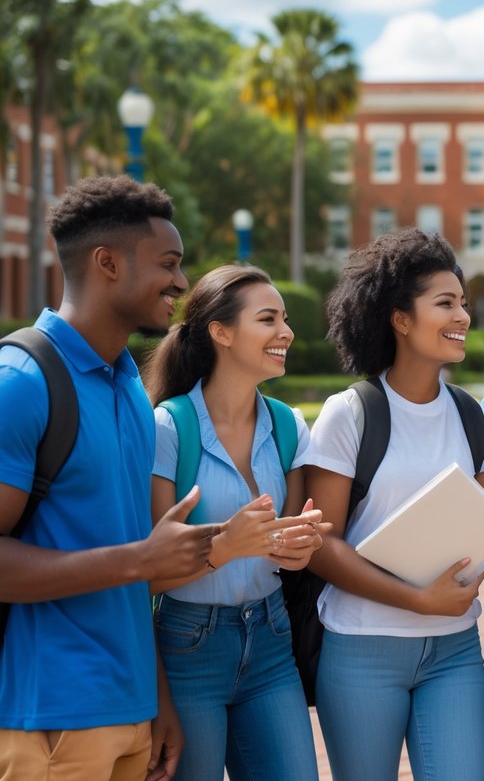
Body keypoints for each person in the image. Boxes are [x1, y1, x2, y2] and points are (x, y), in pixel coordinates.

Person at [0, 175, 217, 780]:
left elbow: (131, 564)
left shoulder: (128, 386)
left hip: (128, 711)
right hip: (48, 717)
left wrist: (158, 701)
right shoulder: (21, 382)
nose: (181, 282)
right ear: (107, 263)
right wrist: (142, 560)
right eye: (168, 264)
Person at [304, 230, 484, 780]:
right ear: (399, 318)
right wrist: (418, 599)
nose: (462, 315)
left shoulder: (476, 420)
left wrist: (468, 575)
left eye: (463, 303)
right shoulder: (348, 414)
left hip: (454, 649)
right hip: (362, 649)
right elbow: (321, 544)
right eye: (445, 303)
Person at [143, 265, 328, 781]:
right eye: (267, 319)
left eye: (285, 319)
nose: (286, 332)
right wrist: (224, 545)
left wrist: (300, 545)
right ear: (220, 332)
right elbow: (143, 573)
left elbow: (290, 541)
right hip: (187, 649)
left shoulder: (290, 425)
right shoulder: (168, 427)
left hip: (271, 639)